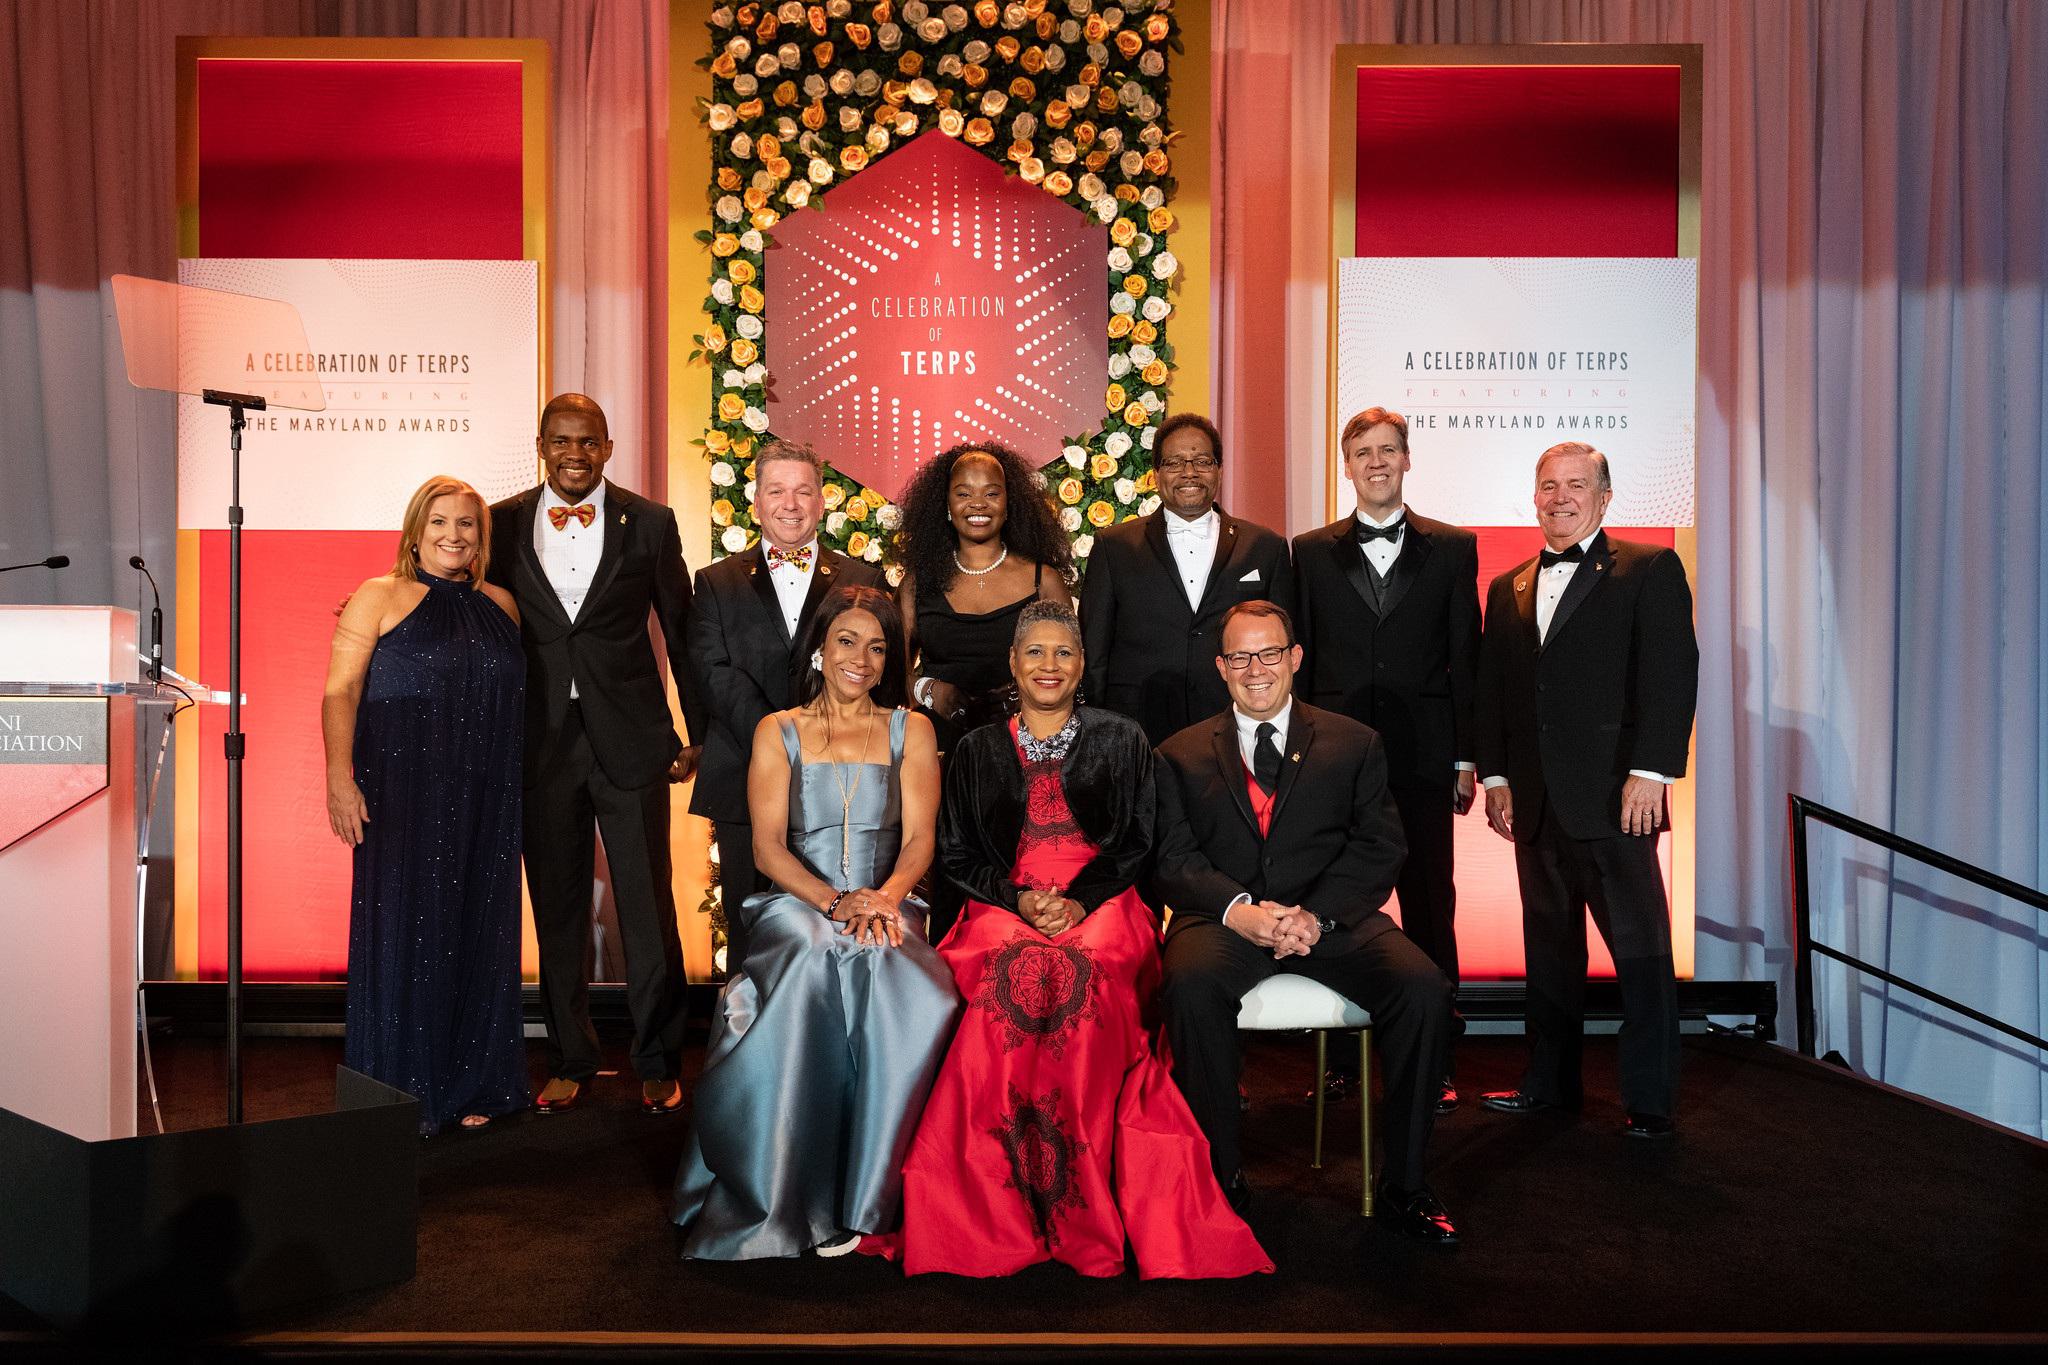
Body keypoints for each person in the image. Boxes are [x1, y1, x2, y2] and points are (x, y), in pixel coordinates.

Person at [877, 599, 1270, 1279]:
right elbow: (958, 854)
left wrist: (1077, 902)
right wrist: (1020, 899)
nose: (1049, 665)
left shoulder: (1122, 739)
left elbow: (1136, 846)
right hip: (1005, 902)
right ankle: (996, 1207)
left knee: (1083, 977)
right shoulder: (975, 748)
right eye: (1035, 652)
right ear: (1013, 663)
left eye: (1063, 652)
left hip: (1103, 900)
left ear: (1082, 662)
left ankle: (1081, 1199)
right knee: (1007, 979)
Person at [1153, 601, 1459, 1245]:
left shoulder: (1355, 742)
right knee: (1189, 983)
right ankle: (1217, 1177)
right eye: (1240, 656)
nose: (1255, 669)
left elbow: (1380, 849)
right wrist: (1243, 912)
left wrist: (1315, 917)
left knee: (1423, 987)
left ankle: (1405, 1183)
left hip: (1331, 919)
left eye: (1269, 654)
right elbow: (1173, 860)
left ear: (1295, 659)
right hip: (1224, 922)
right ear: (1220, 667)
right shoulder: (1177, 754)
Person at [672, 586, 960, 1259]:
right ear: (820, 649)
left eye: (878, 646)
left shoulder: (910, 729)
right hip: (799, 900)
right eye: (848, 641)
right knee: (809, 952)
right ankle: (785, 1187)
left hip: (890, 897)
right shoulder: (779, 729)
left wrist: (883, 898)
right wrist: (835, 902)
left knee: (896, 967)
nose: (861, 657)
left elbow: (920, 840)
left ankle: (871, 1195)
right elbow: (769, 847)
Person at [488, 393, 704, 1115]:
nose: (574, 454)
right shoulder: (502, 521)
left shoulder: (649, 521)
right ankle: (572, 1056)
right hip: (539, 741)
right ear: (541, 443)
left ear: (607, 447)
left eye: (588, 442)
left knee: (647, 905)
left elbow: (681, 630)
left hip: (633, 737)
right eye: (561, 441)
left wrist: (694, 729)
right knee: (556, 908)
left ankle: (657, 1056)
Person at [1474, 442, 1699, 1139]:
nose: (1560, 497)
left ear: (1605, 498)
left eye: (1576, 485)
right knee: (1548, 955)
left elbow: (1671, 675)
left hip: (1615, 798)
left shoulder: (1649, 567)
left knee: (1642, 954)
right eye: (1548, 486)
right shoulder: (1505, 586)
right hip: (1536, 803)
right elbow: (1497, 694)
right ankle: (1549, 1085)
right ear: (1533, 496)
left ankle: (1651, 1099)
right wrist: (1497, 775)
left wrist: (1653, 772)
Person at [323, 475, 528, 1134]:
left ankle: (474, 1081)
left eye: (467, 524)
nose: (454, 535)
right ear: (416, 529)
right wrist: (338, 776)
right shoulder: (378, 597)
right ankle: (401, 1090)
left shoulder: (502, 604)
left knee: (478, 929)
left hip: (486, 795)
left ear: (481, 535)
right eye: (440, 522)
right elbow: (339, 692)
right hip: (403, 796)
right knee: (409, 932)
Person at [1292, 407, 1480, 1111]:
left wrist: (1467, 757)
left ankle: (1436, 1057)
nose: (1376, 461)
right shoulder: (1307, 550)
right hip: (1333, 761)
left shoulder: (1455, 547)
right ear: (1346, 465)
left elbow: (1466, 656)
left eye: (1388, 449)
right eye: (1362, 451)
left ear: (1407, 459)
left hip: (1426, 758)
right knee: (1333, 903)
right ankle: (1340, 1055)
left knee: (1432, 906)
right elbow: (1301, 662)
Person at [686, 441, 883, 969]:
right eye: (777, 490)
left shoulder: (862, 579)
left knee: (836, 923)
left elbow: (871, 672)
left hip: (844, 781)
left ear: (822, 503)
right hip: (742, 777)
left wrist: (821, 745)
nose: (790, 504)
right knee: (749, 926)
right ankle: (753, 1041)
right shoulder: (715, 582)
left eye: (803, 491)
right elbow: (712, 674)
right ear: (755, 502)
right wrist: (786, 744)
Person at [893, 441, 1073, 941]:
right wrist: (930, 688)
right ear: (944, 505)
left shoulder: (1043, 580)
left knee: (1019, 896)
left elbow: (1071, 669)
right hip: (938, 761)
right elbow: (886, 672)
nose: (978, 503)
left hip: (1025, 763)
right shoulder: (918, 584)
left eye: (992, 493)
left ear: (1010, 504)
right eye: (964, 493)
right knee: (951, 886)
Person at [1079, 413, 1294, 746]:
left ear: (1219, 470)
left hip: (1236, 728)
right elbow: (1094, 653)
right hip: (1136, 731)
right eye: (1175, 462)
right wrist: (1095, 732)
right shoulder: (1114, 547)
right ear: (1156, 475)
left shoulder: (1264, 547)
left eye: (1202, 461)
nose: (1189, 472)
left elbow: (1284, 650)